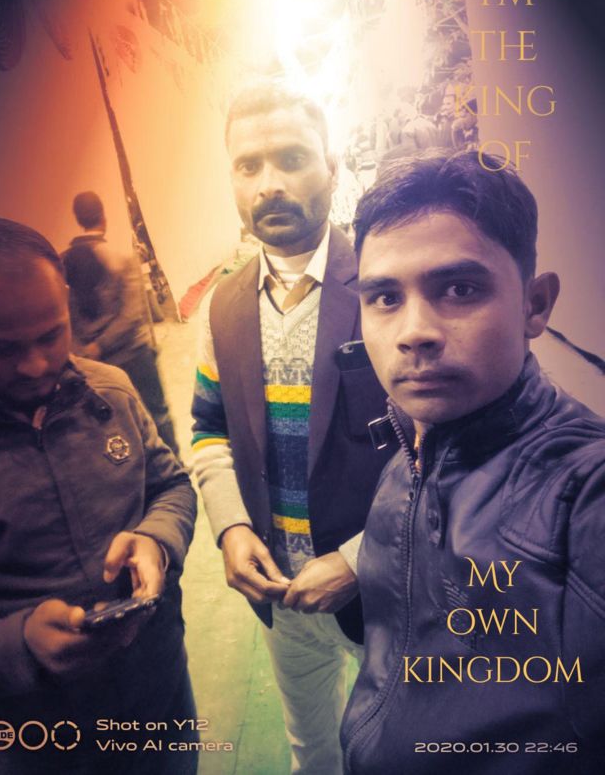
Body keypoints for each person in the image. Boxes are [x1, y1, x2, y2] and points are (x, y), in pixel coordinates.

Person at [340, 151, 605, 774]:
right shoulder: (413, 449)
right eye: (385, 297)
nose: (414, 331)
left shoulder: (584, 495)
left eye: (459, 289)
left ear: (535, 304)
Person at [191, 82, 390, 774]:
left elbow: (447, 451)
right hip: (282, 596)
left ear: (331, 168)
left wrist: (360, 559)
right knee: (313, 750)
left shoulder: (386, 286)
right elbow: (208, 429)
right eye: (248, 166)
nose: (269, 183)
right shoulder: (222, 307)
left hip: (386, 593)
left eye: (292, 158)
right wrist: (232, 527)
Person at [0, 216, 198, 774]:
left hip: (162, 697)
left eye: (52, 334)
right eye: (1, 348)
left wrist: (155, 540)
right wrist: (20, 645)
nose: (35, 364)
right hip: (41, 740)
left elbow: (171, 486)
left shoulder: (112, 392)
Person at [62, 191, 180, 455]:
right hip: (133, 354)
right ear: (103, 217)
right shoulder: (122, 257)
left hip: (99, 365)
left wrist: (85, 350)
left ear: (78, 219)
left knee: (115, 424)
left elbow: (67, 314)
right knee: (157, 413)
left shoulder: (63, 261)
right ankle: (175, 465)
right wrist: (101, 345)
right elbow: (132, 315)